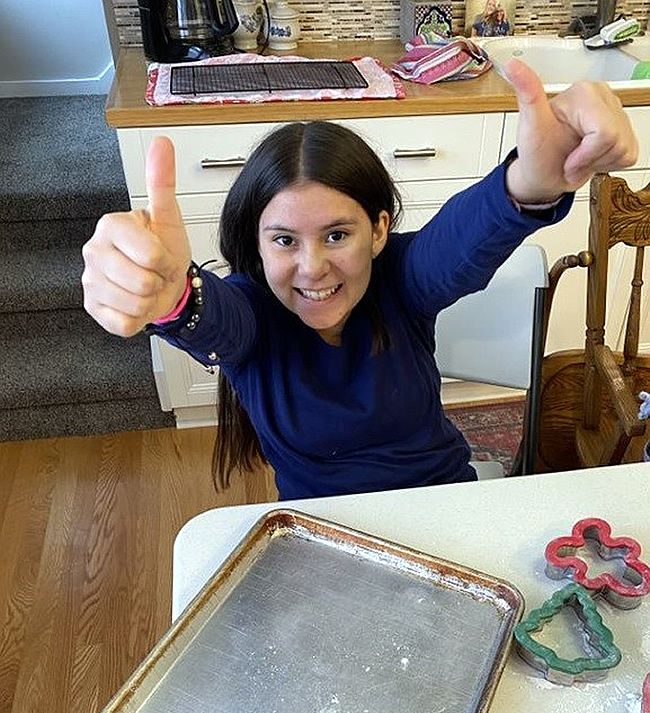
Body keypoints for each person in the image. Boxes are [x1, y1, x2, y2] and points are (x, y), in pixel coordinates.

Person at [82, 60, 637, 501]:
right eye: (284, 240)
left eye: (336, 235)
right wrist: (173, 297)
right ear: (257, 244)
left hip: (444, 504)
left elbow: (460, 240)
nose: (312, 267)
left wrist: (529, 185)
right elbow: (211, 318)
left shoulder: (401, 279)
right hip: (323, 532)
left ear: (378, 230)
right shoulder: (250, 313)